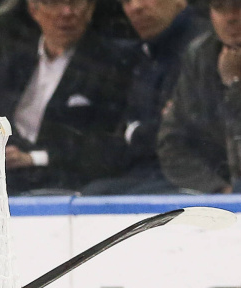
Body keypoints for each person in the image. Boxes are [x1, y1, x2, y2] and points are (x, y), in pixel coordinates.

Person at [0, 0, 135, 194]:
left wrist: (34, 158)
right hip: (5, 175)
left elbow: (108, 144)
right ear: (34, 9)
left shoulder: (112, 63)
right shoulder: (14, 62)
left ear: (90, 9)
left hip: (65, 180)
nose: (66, 12)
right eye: (54, 3)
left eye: (76, 3)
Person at [81, 0, 209, 194]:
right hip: (144, 174)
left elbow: (181, 134)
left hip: (187, 176)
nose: (135, 7)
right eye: (126, 1)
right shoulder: (145, 51)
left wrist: (132, 134)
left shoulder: (201, 48)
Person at [157, 0, 241, 194]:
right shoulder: (200, 55)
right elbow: (172, 144)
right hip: (214, 190)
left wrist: (234, 84)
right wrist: (218, 190)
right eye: (219, 7)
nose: (230, 17)